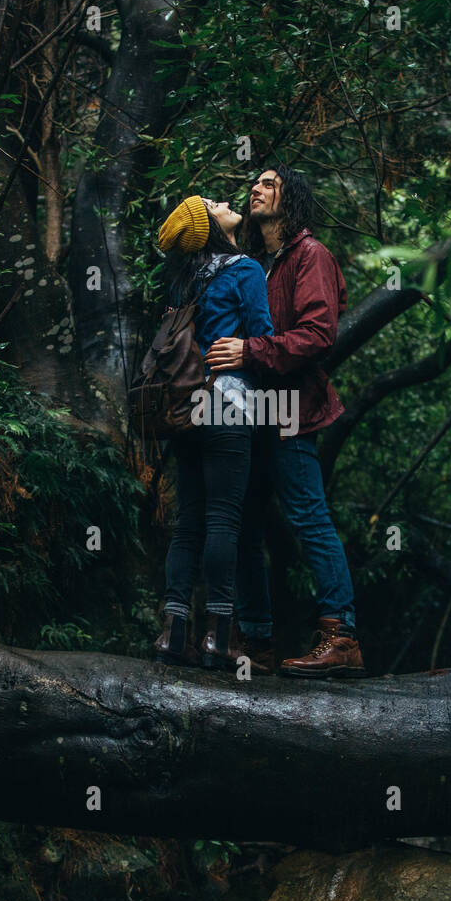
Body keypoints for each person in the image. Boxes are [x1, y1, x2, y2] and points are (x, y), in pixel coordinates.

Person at [205, 165, 365, 678]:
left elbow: (319, 335)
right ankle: (256, 641)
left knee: (308, 517)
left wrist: (249, 350)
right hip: (252, 411)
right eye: (255, 183)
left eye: (268, 184)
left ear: (290, 198)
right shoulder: (257, 262)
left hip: (292, 407)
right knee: (246, 523)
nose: (255, 188)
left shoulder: (310, 255)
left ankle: (341, 637)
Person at [153, 194, 274, 670]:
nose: (226, 201)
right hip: (227, 403)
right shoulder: (245, 270)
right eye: (214, 202)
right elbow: (261, 336)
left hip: (182, 408)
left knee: (188, 523)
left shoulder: (181, 280)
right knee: (224, 519)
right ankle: (220, 638)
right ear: (208, 223)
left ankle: (174, 633)